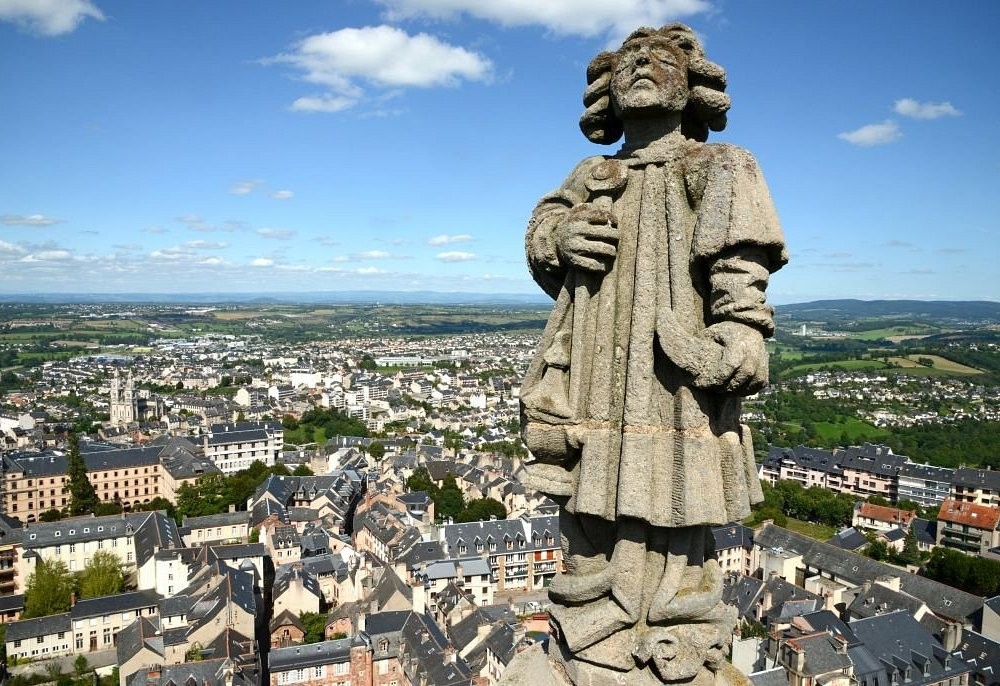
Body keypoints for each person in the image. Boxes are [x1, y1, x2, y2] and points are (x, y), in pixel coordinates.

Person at [519, 24, 787, 680]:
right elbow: (543, 229)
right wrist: (560, 236)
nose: (641, 65)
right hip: (593, 365)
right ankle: (592, 608)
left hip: (675, 369)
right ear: (605, 92)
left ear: (693, 84)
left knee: (676, 486)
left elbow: (740, 261)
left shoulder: (719, 165)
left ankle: (676, 624)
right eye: (628, 60)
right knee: (587, 488)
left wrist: (740, 333)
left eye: (661, 58)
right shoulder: (592, 174)